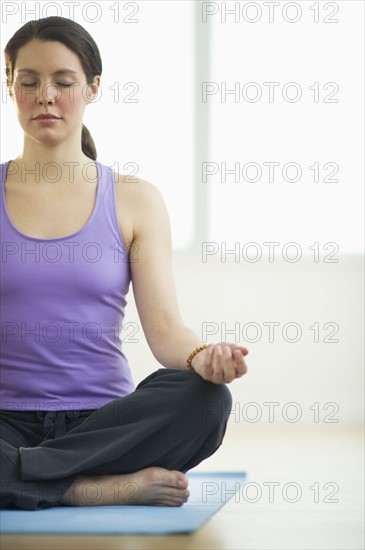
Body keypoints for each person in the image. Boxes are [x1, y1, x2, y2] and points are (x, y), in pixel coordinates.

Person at [0, 16, 249, 511]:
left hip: (103, 422)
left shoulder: (136, 200)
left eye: (63, 82)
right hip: (7, 419)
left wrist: (204, 356)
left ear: (92, 88)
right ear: (9, 85)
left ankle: (23, 477)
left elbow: (165, 331)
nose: (45, 96)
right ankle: (85, 487)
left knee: (204, 399)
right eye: (28, 82)